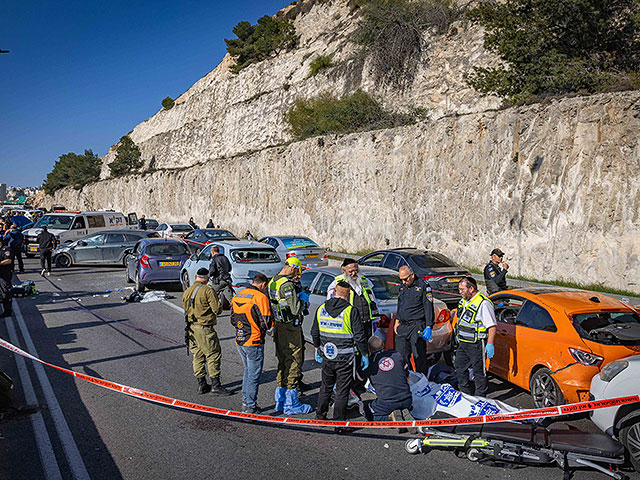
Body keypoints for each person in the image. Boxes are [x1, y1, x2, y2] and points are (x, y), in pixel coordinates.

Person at [312, 281, 368, 425]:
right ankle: (339, 422)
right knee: (342, 390)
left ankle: (320, 416)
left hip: (327, 357)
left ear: (334, 292)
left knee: (326, 386)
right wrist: (364, 354)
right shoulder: (351, 311)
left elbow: (314, 332)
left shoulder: (321, 308)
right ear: (348, 295)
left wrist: (317, 347)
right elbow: (359, 336)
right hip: (345, 359)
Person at [268, 257, 312, 415]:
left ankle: (280, 399)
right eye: (298, 271)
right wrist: (303, 300)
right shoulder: (287, 285)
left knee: (282, 361)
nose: (298, 275)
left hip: (279, 325)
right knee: (294, 361)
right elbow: (294, 309)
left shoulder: (274, 280)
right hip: (289, 327)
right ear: (293, 268)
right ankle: (291, 403)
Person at [183, 267, 231, 395]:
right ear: (208, 278)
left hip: (191, 328)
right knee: (213, 354)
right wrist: (220, 302)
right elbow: (217, 310)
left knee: (198, 356)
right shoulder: (207, 290)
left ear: (196, 277)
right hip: (204, 328)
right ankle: (216, 385)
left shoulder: (188, 290)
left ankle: (201, 384)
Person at [230, 273, 273, 413]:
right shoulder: (260, 297)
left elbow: (232, 319)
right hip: (254, 341)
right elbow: (267, 323)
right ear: (263, 284)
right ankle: (250, 407)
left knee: (248, 372)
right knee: (254, 374)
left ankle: (245, 401)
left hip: (240, 339)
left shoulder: (238, 295)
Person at [454, 276, 497, 397]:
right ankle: (466, 395)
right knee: (459, 368)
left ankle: (480, 398)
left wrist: (490, 343)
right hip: (463, 343)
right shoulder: (464, 300)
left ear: (471, 288)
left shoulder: (483, 304)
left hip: (477, 344)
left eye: (462, 289)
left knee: (479, 372)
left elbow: (492, 326)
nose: (460, 292)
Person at [394, 265, 435, 374]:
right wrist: (397, 321)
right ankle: (406, 380)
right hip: (403, 326)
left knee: (419, 356)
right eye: (401, 279)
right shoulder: (402, 286)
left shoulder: (423, 286)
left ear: (412, 275)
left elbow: (428, 307)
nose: (403, 282)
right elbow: (400, 304)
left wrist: (429, 326)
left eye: (405, 279)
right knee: (401, 356)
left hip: (417, 325)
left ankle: (422, 380)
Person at [327, 258, 380, 340]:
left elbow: (372, 299)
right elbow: (331, 303)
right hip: (350, 323)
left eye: (356, 270)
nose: (354, 273)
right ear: (343, 271)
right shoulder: (337, 284)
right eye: (350, 271)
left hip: (367, 323)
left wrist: (375, 318)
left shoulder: (364, 281)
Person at [364, 336, 412, 421]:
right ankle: (404, 412)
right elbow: (406, 374)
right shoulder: (397, 355)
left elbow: (359, 379)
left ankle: (390, 417)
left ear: (369, 349)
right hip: (407, 399)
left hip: (386, 403)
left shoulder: (369, 363)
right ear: (383, 344)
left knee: (369, 412)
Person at [0, 237, 14, 318]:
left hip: (5, 275)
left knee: (5, 292)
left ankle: (7, 311)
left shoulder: (6, 249)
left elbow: (8, 260)